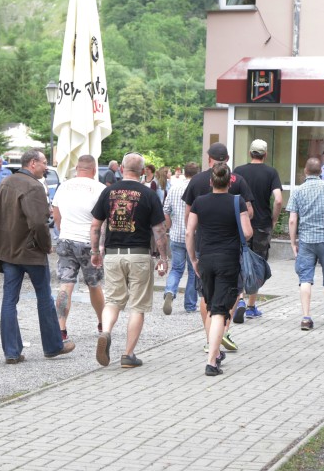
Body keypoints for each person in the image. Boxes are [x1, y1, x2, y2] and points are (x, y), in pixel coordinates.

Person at [0, 149, 75, 364]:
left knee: (9, 300)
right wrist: (46, 246)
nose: (46, 167)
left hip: (9, 251)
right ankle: (53, 346)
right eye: (44, 163)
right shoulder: (33, 186)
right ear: (33, 163)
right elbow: (37, 223)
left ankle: (12, 352)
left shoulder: (5, 182)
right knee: (44, 297)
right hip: (30, 252)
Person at [90, 152, 168, 368]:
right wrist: (163, 257)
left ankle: (105, 332)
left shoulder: (108, 192)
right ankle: (128, 355)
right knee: (137, 306)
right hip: (139, 254)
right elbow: (159, 230)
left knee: (113, 301)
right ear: (143, 171)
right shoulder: (148, 194)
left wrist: (95, 251)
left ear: (122, 169)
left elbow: (96, 225)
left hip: (113, 255)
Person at [183, 142, 254, 352]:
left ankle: (209, 340)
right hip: (229, 252)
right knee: (230, 293)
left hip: (203, 247)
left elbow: (188, 219)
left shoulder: (196, 181)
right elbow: (249, 213)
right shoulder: (239, 181)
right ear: (228, 159)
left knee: (206, 295)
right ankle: (222, 332)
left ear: (209, 159)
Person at [51, 154, 107, 341]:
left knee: (65, 284)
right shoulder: (99, 189)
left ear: (77, 169)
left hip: (66, 239)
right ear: (94, 170)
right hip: (88, 242)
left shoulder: (64, 186)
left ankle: (61, 329)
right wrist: (100, 245)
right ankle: (102, 323)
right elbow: (103, 221)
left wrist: (62, 232)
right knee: (94, 284)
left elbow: (56, 214)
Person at [287, 157, 324, 331]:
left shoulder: (298, 191)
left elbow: (292, 220)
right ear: (321, 172)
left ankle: (306, 317)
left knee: (305, 278)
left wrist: (292, 242)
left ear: (305, 171)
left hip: (306, 240)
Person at [233, 139, 282, 319]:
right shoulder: (271, 172)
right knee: (257, 264)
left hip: (240, 224)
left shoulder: (238, 171)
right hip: (262, 225)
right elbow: (278, 199)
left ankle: (239, 298)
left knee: (238, 260)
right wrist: (274, 220)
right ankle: (251, 306)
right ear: (265, 154)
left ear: (249, 152)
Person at [162, 161, 199, 315]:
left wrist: (169, 225)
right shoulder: (198, 189)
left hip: (176, 235)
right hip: (194, 236)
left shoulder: (175, 188)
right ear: (197, 173)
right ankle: (190, 305)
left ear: (185, 172)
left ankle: (170, 291)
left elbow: (166, 209)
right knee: (193, 271)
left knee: (176, 268)